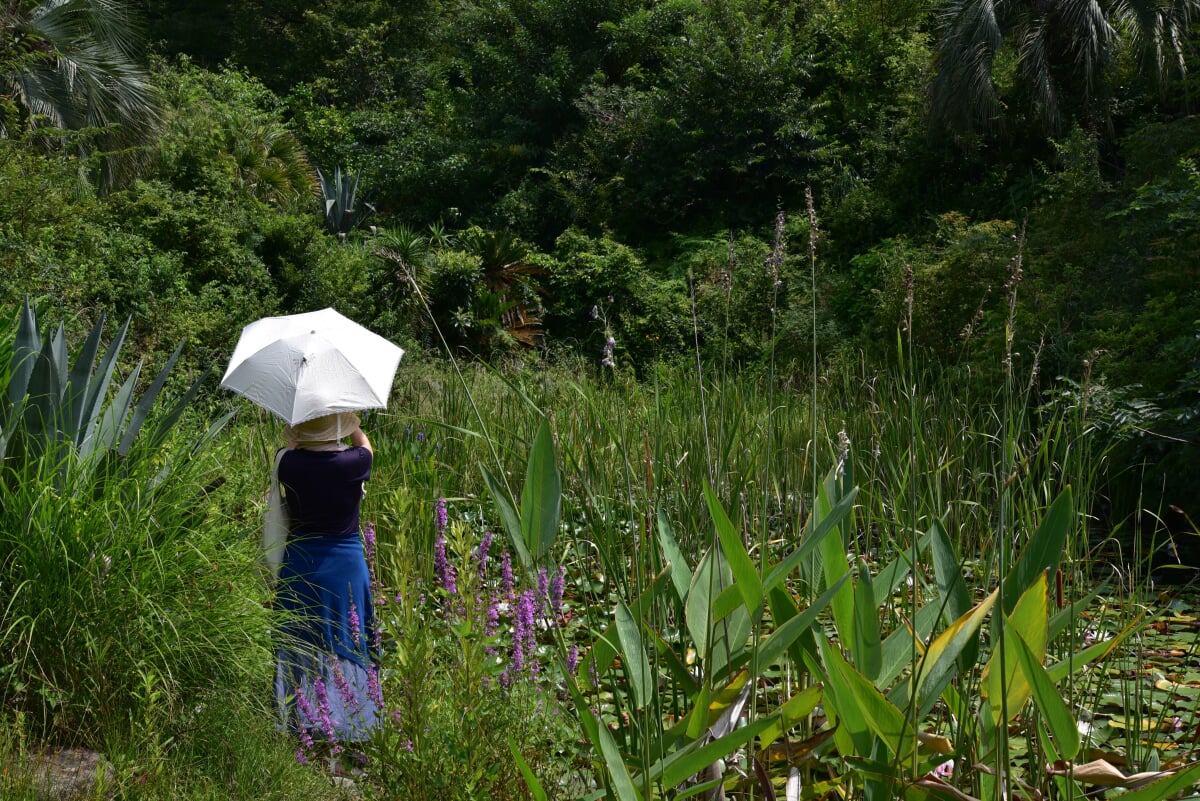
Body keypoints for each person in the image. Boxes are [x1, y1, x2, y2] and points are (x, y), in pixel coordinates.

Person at [271, 411, 380, 754]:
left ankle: (298, 718)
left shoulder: (287, 462)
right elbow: (366, 445)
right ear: (338, 427)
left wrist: (302, 435)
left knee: (302, 634)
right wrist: (351, 422)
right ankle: (350, 720)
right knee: (346, 635)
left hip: (301, 560)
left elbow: (290, 449)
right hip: (345, 563)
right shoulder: (354, 461)